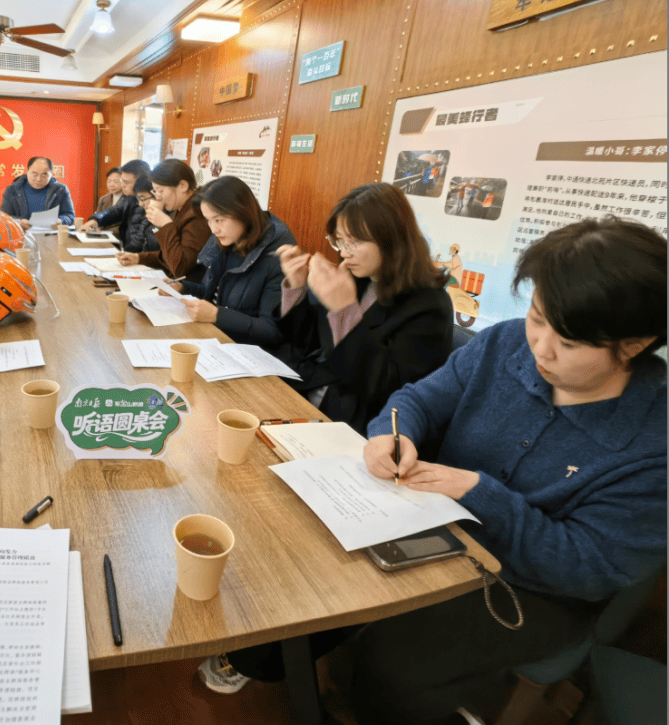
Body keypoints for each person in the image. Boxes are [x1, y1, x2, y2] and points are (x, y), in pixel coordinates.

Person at [202, 217, 668, 725]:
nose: (541, 347)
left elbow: (588, 568)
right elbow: (418, 398)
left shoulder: (653, 441)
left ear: (634, 344)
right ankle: (276, 667)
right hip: (432, 519)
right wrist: (392, 433)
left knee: (394, 665)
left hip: (532, 588)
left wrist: (479, 492)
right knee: (304, 576)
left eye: (570, 343)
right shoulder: (504, 343)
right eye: (537, 318)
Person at [273, 182, 452, 434]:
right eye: (340, 241)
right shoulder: (360, 278)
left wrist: (345, 309)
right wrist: (296, 287)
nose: (345, 253)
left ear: (392, 240)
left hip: (357, 426)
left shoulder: (431, 305)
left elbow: (386, 390)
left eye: (354, 241)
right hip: (310, 398)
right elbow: (305, 342)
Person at [174, 176, 295, 348]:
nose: (213, 229)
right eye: (208, 220)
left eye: (218, 220)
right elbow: (213, 293)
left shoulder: (278, 254)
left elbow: (273, 331)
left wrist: (217, 315)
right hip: (215, 336)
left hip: (247, 350)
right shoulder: (231, 238)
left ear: (242, 212)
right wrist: (183, 287)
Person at [114, 159, 210, 281]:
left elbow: (180, 267)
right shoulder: (181, 209)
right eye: (155, 191)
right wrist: (138, 258)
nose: (158, 197)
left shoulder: (197, 214)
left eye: (161, 191)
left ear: (183, 186)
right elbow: (169, 255)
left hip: (186, 288)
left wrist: (165, 225)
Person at [83, 159, 152, 244]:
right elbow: (113, 211)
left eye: (126, 182)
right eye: (122, 181)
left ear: (141, 182)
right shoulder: (130, 199)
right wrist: (96, 220)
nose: (122, 185)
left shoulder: (151, 202)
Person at [0, 156, 74, 229]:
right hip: (22, 234)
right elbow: (4, 217)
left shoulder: (60, 190)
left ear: (51, 174)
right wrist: (18, 222)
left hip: (51, 234)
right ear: (27, 171)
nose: (38, 179)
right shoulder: (12, 190)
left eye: (44, 175)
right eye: (34, 174)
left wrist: (60, 221)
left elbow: (70, 216)